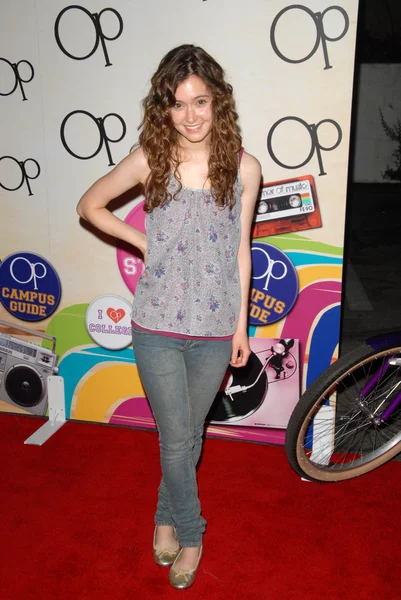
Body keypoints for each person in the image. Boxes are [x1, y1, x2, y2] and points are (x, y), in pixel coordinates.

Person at [77, 44, 261, 590]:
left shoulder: (244, 167)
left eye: (200, 101)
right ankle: (192, 530)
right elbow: (91, 205)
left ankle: (162, 516)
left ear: (218, 101)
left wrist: (240, 326)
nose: (191, 115)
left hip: (213, 329)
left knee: (188, 435)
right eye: (178, 104)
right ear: (165, 108)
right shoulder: (150, 159)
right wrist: (141, 239)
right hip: (155, 324)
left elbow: (241, 251)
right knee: (177, 439)